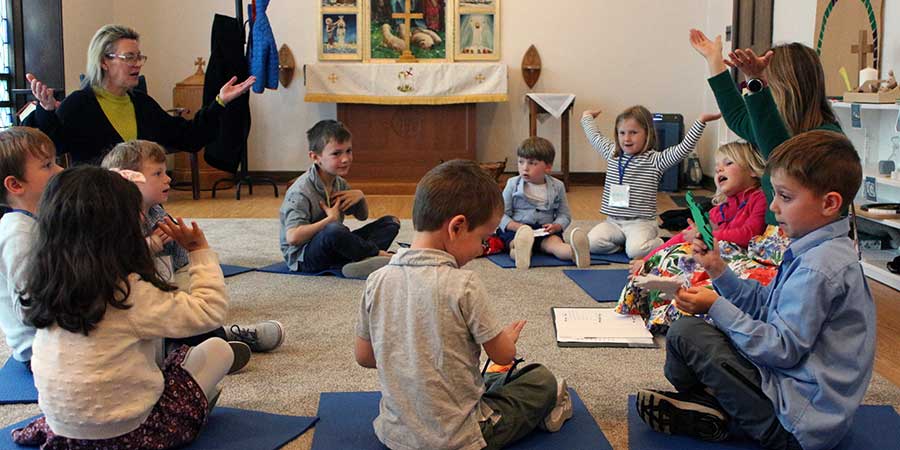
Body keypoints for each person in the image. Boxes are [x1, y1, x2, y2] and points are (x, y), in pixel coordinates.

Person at [635, 131, 874, 450]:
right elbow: (766, 305)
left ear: (829, 203)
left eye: (785, 197)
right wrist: (718, 270)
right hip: (793, 398)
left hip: (795, 425)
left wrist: (715, 307)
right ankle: (716, 407)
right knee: (689, 332)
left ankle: (726, 415)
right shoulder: (816, 249)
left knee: (686, 333)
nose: (773, 207)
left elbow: (781, 349)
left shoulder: (820, 267)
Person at [355, 160, 572, 450]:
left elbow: (365, 357)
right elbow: (504, 355)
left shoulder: (376, 280)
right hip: (460, 437)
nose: (483, 248)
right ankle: (541, 413)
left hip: (396, 434)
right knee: (540, 380)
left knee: (482, 379)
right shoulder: (463, 284)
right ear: (457, 227)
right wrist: (506, 339)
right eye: (483, 238)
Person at [12, 166, 235, 448]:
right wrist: (199, 252)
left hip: (64, 429)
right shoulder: (128, 294)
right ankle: (194, 410)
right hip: (130, 434)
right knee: (218, 349)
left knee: (144, 346)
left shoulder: (41, 285)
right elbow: (209, 310)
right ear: (124, 231)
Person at [101, 140, 285, 359]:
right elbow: (114, 266)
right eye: (158, 174)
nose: (168, 178)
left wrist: (186, 245)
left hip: (160, 299)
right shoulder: (112, 222)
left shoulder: (156, 214)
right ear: (129, 179)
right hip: (133, 312)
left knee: (188, 307)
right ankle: (215, 341)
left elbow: (180, 268)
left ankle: (205, 342)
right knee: (182, 320)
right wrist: (149, 246)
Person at [23, 24, 255, 165]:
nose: (137, 64)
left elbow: (189, 137)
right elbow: (56, 146)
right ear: (104, 61)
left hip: (141, 205)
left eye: (139, 57)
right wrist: (47, 110)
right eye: (129, 57)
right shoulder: (80, 104)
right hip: (96, 206)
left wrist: (219, 102)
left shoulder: (142, 104)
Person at [689, 29, 841, 225]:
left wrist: (756, 84)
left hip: (806, 244)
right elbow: (736, 116)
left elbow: (780, 154)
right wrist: (713, 59)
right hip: (775, 238)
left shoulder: (826, 137)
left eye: (764, 81)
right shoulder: (773, 126)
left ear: (787, 86)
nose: (750, 88)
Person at [618, 141, 768, 332]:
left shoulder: (759, 198)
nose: (719, 169)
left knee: (694, 266)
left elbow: (748, 234)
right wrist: (647, 258)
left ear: (753, 171)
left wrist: (707, 234)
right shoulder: (720, 210)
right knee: (675, 253)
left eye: (728, 163)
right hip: (714, 256)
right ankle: (663, 299)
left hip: (733, 262)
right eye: (717, 167)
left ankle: (680, 304)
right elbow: (683, 237)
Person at [580, 105, 718, 259]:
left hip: (641, 223)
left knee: (635, 252)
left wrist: (701, 121)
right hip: (613, 222)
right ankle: (623, 245)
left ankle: (661, 242)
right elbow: (594, 137)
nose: (627, 138)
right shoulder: (612, 153)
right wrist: (587, 117)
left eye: (633, 133)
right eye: (622, 133)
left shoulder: (655, 160)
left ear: (647, 134)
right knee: (591, 243)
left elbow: (683, 149)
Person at [280, 120, 400, 279]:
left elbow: (361, 216)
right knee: (334, 230)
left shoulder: (339, 183)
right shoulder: (300, 192)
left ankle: (356, 260)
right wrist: (329, 220)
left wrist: (360, 197)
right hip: (304, 258)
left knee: (390, 223)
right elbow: (293, 237)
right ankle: (371, 255)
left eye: (348, 151)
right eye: (336, 153)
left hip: (333, 246)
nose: (345, 159)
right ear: (315, 157)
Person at [0, 127, 62, 370]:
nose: (59, 171)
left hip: (51, 334)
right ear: (15, 185)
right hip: (37, 347)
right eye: (47, 166)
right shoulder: (18, 234)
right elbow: (30, 308)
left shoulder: (39, 219)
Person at [499, 136, 590, 269]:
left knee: (555, 245)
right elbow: (500, 214)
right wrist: (516, 227)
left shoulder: (557, 186)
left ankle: (575, 253)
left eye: (532, 163)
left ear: (547, 167)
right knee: (515, 244)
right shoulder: (512, 184)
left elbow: (564, 215)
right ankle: (520, 253)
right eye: (521, 162)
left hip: (544, 231)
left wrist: (556, 226)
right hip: (518, 231)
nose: (525, 168)